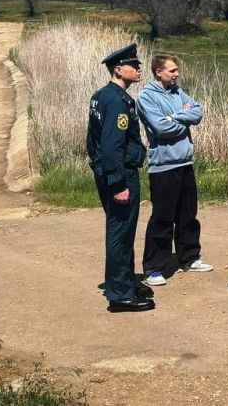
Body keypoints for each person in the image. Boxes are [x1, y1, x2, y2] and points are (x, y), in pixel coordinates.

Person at [86, 43, 153, 313]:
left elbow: (93, 141)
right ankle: (120, 295)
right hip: (120, 175)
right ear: (118, 69)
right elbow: (112, 145)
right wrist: (118, 184)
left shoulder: (102, 96)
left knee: (122, 232)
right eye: (133, 65)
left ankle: (125, 282)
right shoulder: (116, 100)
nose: (138, 69)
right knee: (120, 234)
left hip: (111, 172)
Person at [137, 53, 212, 287]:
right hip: (163, 166)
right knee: (163, 218)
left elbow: (197, 112)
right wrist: (181, 120)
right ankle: (154, 267)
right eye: (172, 71)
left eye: (177, 70)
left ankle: (189, 257)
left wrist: (175, 117)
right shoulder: (146, 97)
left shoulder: (178, 93)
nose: (176, 74)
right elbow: (160, 128)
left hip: (185, 162)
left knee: (188, 215)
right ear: (158, 72)